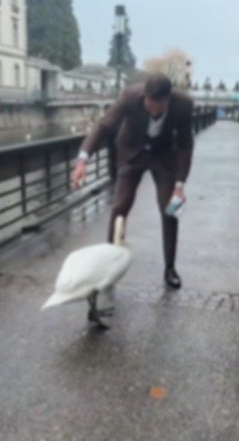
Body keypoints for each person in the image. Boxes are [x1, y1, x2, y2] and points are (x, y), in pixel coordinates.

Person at [70, 73, 194, 290]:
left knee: (171, 210)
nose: (152, 110)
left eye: (158, 106)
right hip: (131, 153)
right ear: (144, 96)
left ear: (167, 100)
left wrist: (180, 186)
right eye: (149, 104)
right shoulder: (130, 96)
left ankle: (170, 268)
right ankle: (108, 265)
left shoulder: (183, 105)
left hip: (164, 157)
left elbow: (185, 145)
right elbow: (103, 126)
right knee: (120, 207)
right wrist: (83, 160)